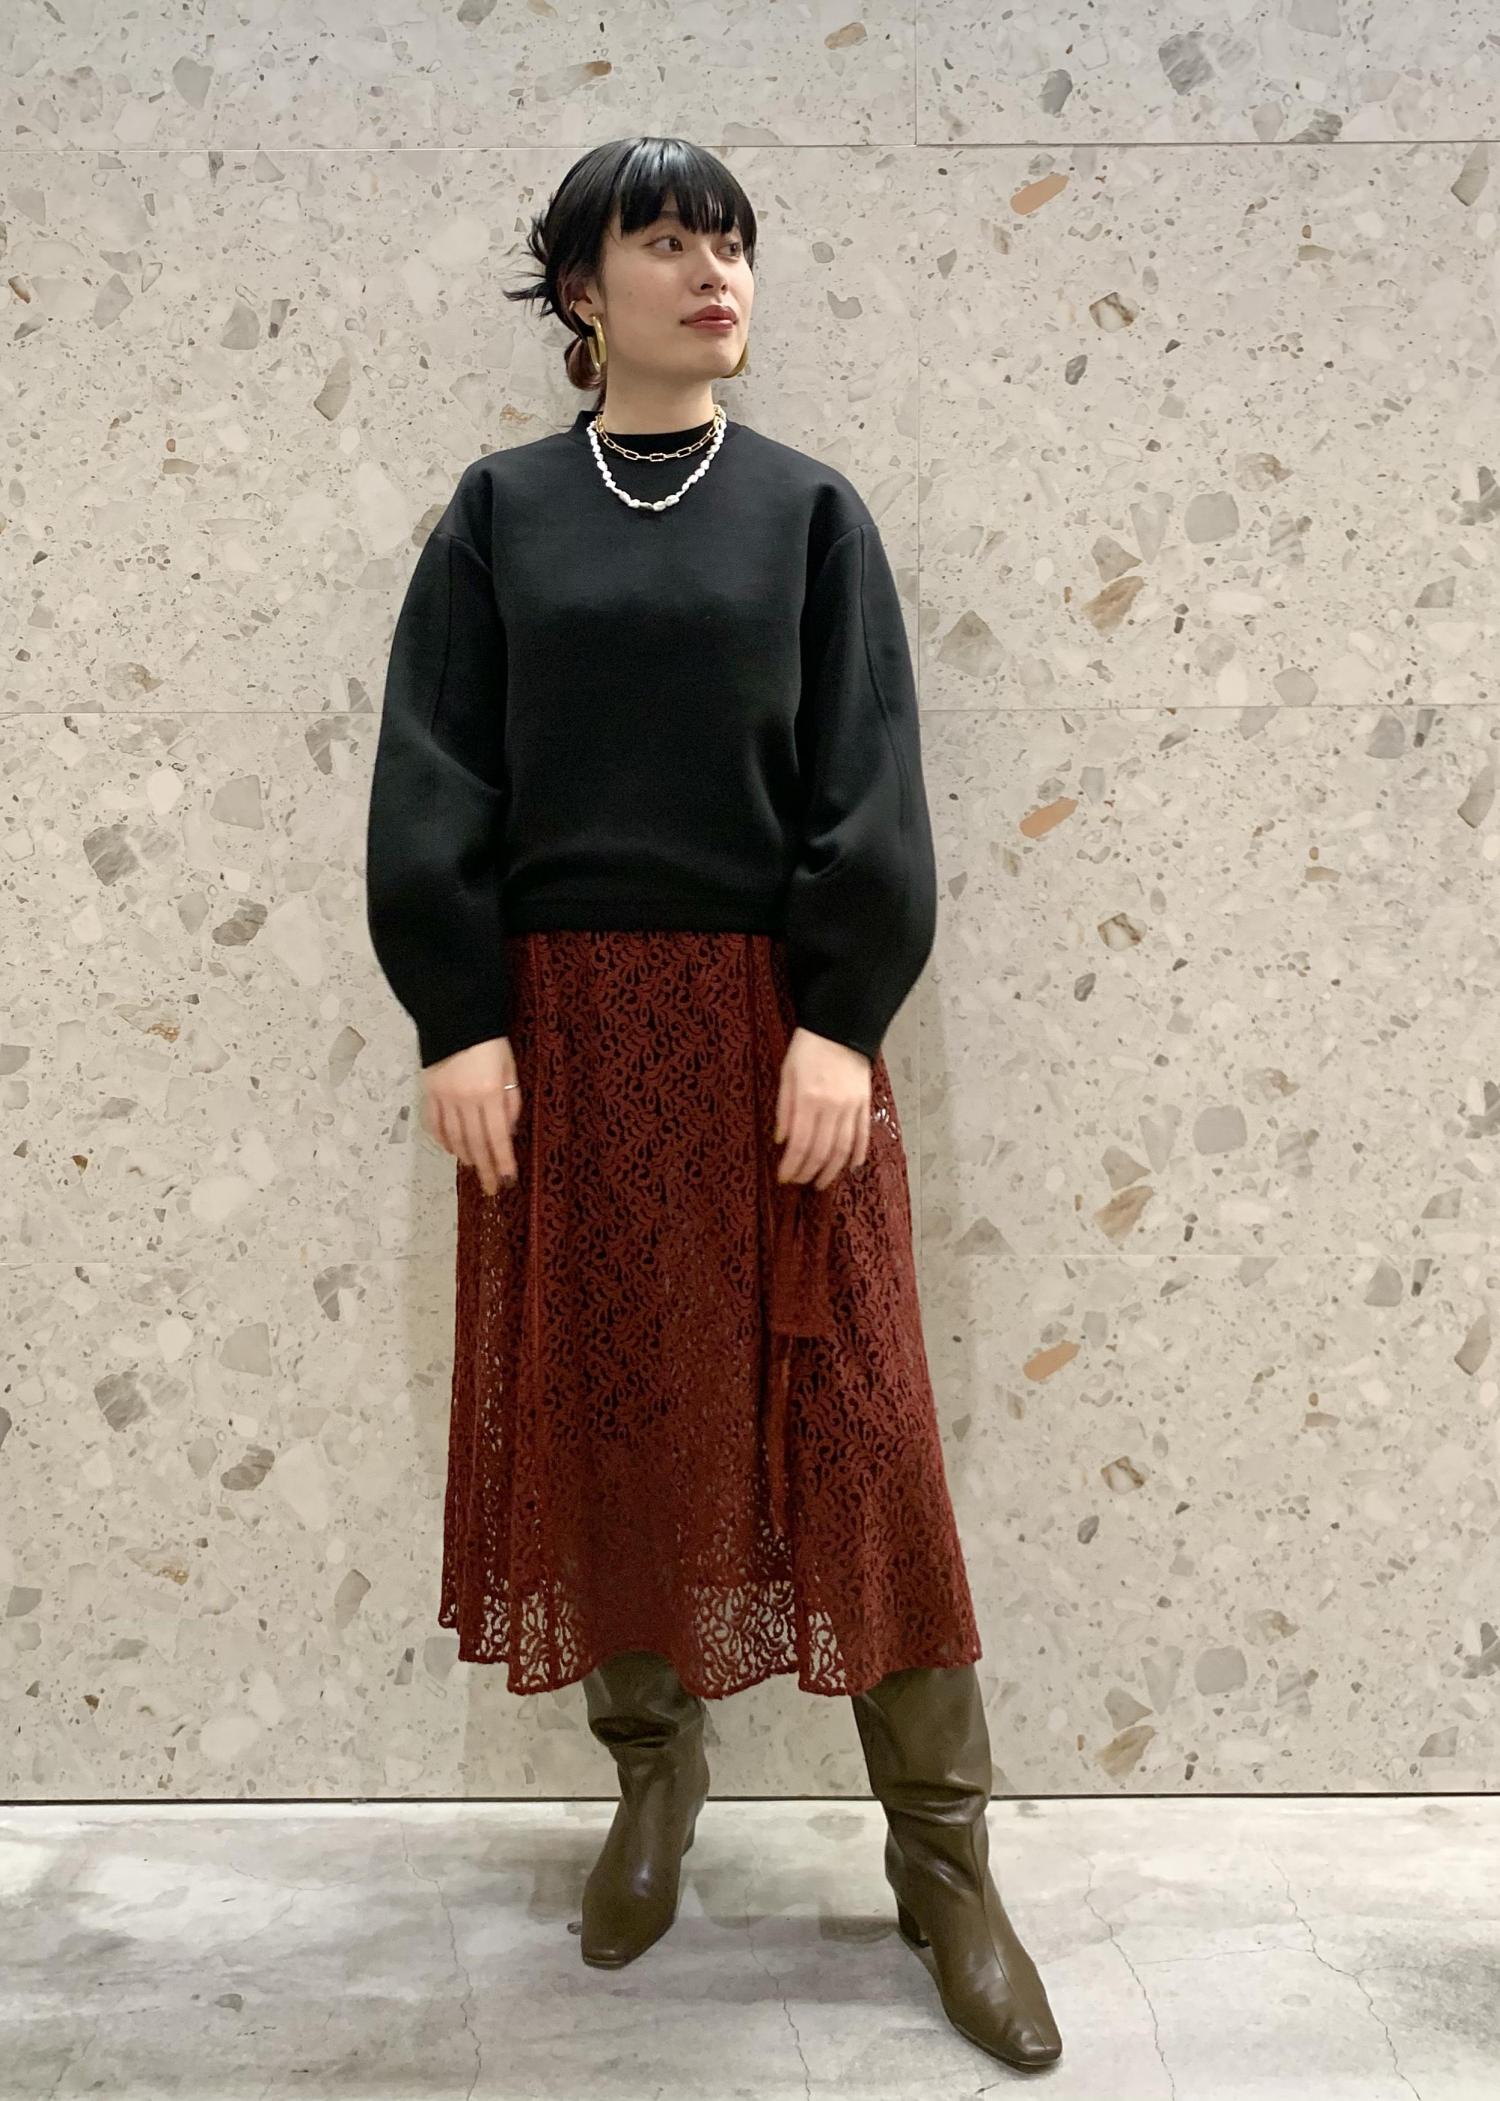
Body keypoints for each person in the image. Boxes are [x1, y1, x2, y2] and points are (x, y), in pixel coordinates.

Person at [363, 133, 1060, 2072]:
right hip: (562, 1037)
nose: (714, 271)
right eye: (667, 241)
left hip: (773, 1034)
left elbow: (867, 771)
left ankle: (944, 1865)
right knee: (612, 1411)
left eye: (731, 240)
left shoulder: (809, 513)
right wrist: (457, 1015)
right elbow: (437, 768)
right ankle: (653, 1779)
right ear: (582, 292)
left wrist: (841, 1019)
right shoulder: (500, 513)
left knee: (860, 1430)